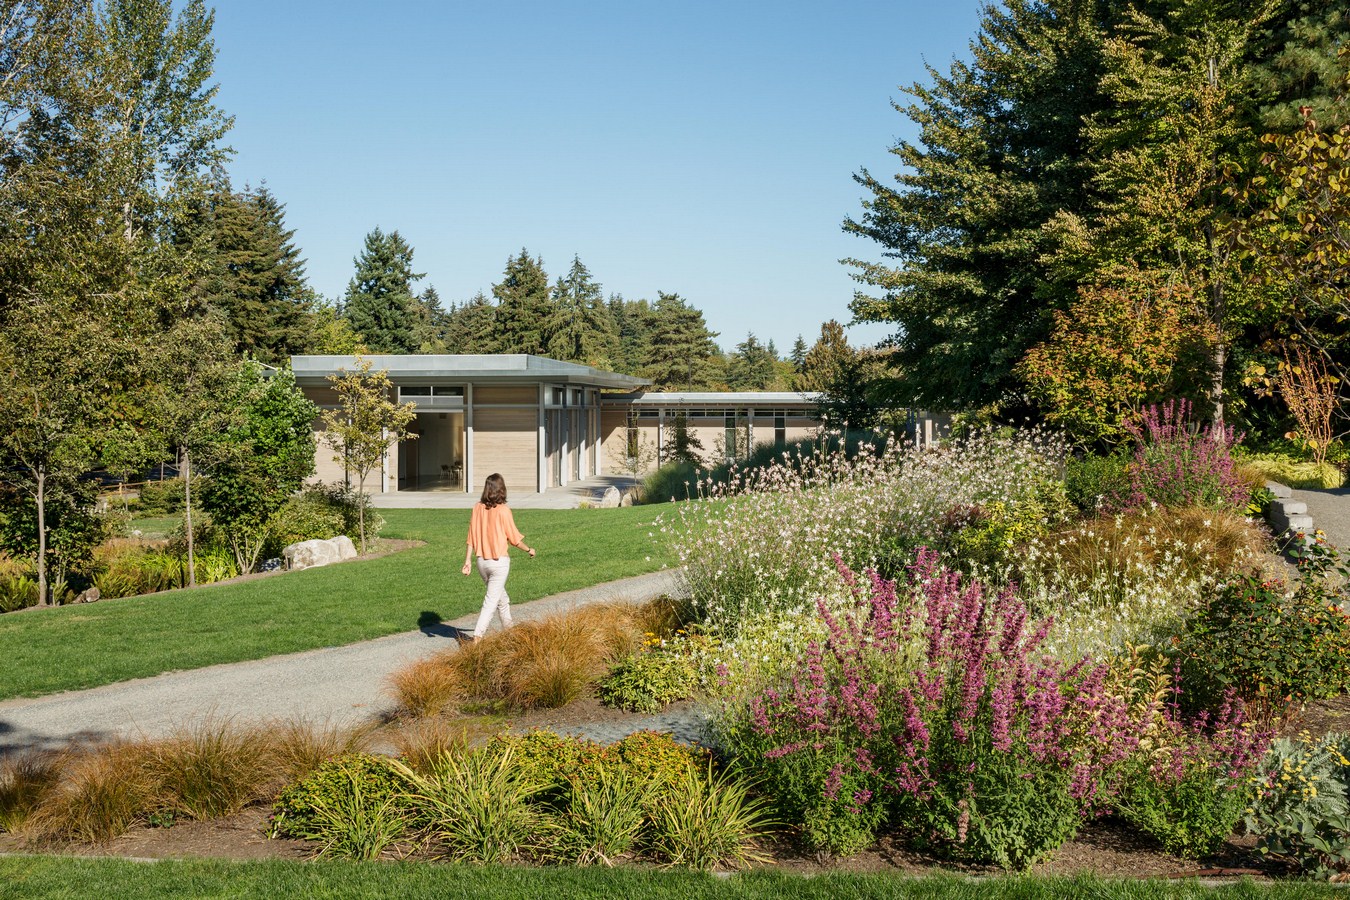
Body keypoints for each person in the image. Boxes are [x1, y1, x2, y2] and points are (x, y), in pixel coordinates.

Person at [460, 473, 534, 642]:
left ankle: (510, 633)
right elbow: (514, 539)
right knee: (491, 602)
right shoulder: (504, 511)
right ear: (502, 489)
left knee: (502, 599)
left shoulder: (477, 508)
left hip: (481, 563)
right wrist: (529, 549)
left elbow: (471, 536)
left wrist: (467, 561)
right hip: (499, 563)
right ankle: (477, 638)